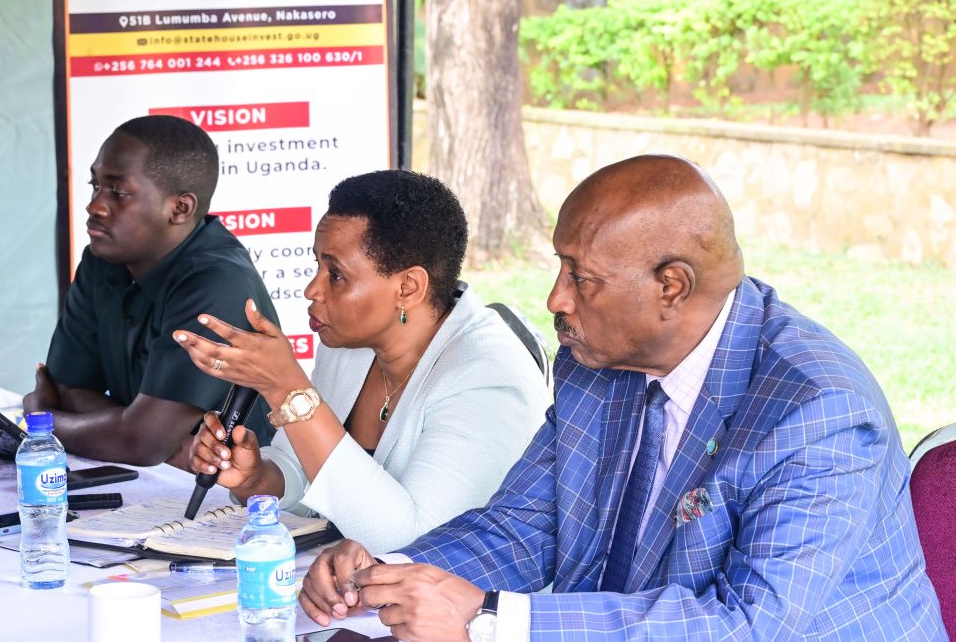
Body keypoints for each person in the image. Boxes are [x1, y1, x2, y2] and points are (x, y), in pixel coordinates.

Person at [297, 155, 945, 641]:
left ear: (672, 285)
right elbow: (527, 523)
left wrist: (486, 614)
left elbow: (747, 623)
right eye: (559, 266)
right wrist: (388, 572)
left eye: (581, 277)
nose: (555, 298)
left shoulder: (816, 410)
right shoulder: (595, 361)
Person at [172, 170, 550, 553]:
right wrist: (257, 479)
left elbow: (415, 545)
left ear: (408, 288)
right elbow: (311, 479)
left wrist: (287, 388)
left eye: (335, 275)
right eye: (317, 265)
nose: (312, 289)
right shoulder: (346, 346)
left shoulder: (487, 378)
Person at [23, 115, 278, 470]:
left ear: (180, 208)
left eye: (118, 192)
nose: (94, 205)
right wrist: (156, 440)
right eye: (94, 185)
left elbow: (141, 442)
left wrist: (41, 422)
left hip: (241, 497)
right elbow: (67, 391)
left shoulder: (217, 280)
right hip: (155, 480)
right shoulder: (103, 259)